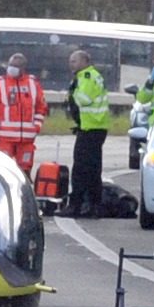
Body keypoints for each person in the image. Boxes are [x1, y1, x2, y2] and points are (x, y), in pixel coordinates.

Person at [0, 52, 48, 173]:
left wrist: (36, 127)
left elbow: (41, 108)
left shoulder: (33, 84)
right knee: (3, 170)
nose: (12, 68)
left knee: (25, 171)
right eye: (11, 65)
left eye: (16, 66)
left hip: (27, 140)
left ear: (23, 68)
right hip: (4, 139)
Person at [65, 49, 109, 217]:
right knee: (92, 169)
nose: (71, 65)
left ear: (84, 62)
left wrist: (72, 90)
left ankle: (77, 205)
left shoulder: (87, 76)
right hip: (92, 127)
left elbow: (82, 99)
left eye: (74, 61)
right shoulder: (90, 75)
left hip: (91, 129)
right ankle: (92, 205)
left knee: (80, 169)